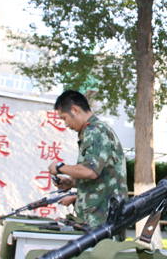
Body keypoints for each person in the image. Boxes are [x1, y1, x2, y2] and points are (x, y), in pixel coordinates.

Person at [48, 90, 128, 230]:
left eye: (64, 118)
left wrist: (59, 167)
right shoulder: (93, 131)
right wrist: (71, 182)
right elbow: (100, 175)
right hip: (98, 220)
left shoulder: (95, 131)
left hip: (101, 222)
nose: (65, 124)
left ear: (75, 110)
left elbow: (90, 171)